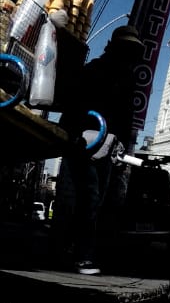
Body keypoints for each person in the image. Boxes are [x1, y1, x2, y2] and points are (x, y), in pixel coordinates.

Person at [54, 25, 145, 274]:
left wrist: (121, 146)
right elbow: (73, 106)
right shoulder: (95, 71)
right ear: (114, 48)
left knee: (93, 201)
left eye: (132, 52)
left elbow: (125, 119)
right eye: (126, 50)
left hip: (106, 147)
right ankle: (78, 255)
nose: (129, 57)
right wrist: (74, 135)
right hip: (85, 143)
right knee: (86, 199)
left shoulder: (127, 81)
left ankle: (73, 251)